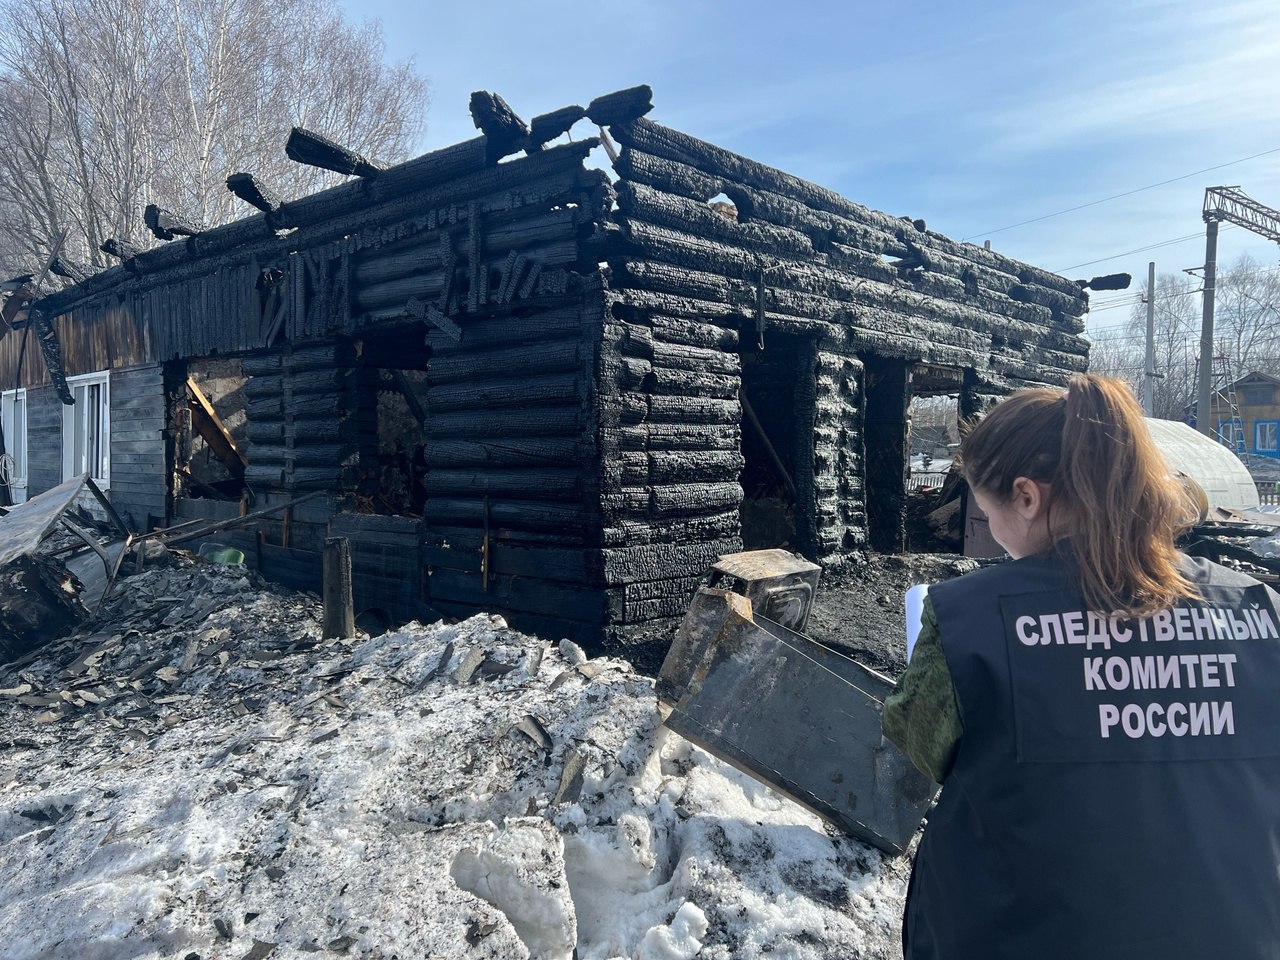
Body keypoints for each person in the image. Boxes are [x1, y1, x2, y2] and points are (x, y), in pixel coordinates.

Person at [882, 373, 1280, 960]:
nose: (990, 532)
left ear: (1026, 497)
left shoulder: (968, 619)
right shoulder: (1259, 612)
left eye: (987, 512)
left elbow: (916, 743)